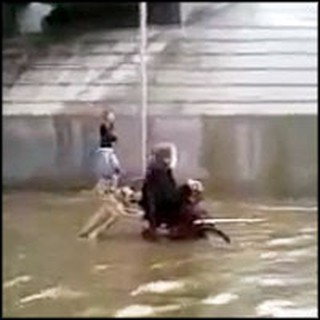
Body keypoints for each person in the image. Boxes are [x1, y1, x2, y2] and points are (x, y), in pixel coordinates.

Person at [139, 143, 179, 240]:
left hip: (163, 213)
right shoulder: (157, 176)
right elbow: (153, 199)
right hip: (162, 212)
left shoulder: (164, 173)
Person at [95, 110, 121, 191]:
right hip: (104, 151)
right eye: (111, 116)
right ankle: (100, 189)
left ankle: (113, 188)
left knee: (117, 169)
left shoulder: (111, 127)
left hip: (110, 151)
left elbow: (113, 138)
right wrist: (115, 137)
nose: (113, 118)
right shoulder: (104, 126)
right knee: (106, 173)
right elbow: (110, 136)